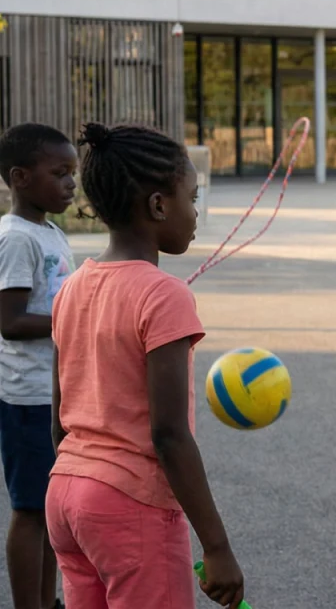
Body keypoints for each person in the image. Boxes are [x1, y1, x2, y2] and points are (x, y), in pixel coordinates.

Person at [47, 123, 245, 608]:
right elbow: (169, 434)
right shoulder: (164, 296)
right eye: (191, 199)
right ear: (159, 206)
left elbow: (59, 419)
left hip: (68, 495)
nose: (195, 213)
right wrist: (217, 547)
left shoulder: (73, 286)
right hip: (129, 508)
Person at [0, 123, 77, 609]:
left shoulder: (49, 231)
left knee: (52, 509)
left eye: (74, 173)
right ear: (20, 177)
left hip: (55, 392)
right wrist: (70, 319)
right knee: (31, 511)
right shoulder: (16, 239)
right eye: (60, 173)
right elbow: (9, 322)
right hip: (27, 396)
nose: (72, 183)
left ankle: (47, 601)